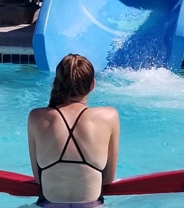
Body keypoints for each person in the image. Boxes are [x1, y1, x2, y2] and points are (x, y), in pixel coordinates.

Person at [28, 54, 120, 208]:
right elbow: (107, 180)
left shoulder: (36, 117)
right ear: (92, 85)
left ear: (57, 83)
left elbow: (38, 179)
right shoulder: (109, 116)